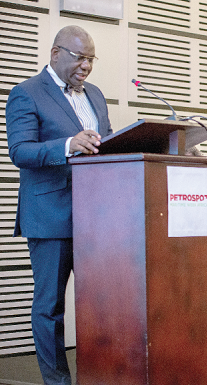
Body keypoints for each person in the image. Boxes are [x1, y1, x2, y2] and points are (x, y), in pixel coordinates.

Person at [6, 25, 113, 384]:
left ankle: (100, 375)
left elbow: (108, 146)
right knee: (50, 307)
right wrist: (68, 145)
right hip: (50, 217)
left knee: (100, 305)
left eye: (91, 59)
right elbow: (21, 152)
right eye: (79, 57)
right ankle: (57, 381)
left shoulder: (96, 96)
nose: (86, 66)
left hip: (96, 217)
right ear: (55, 53)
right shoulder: (27, 93)